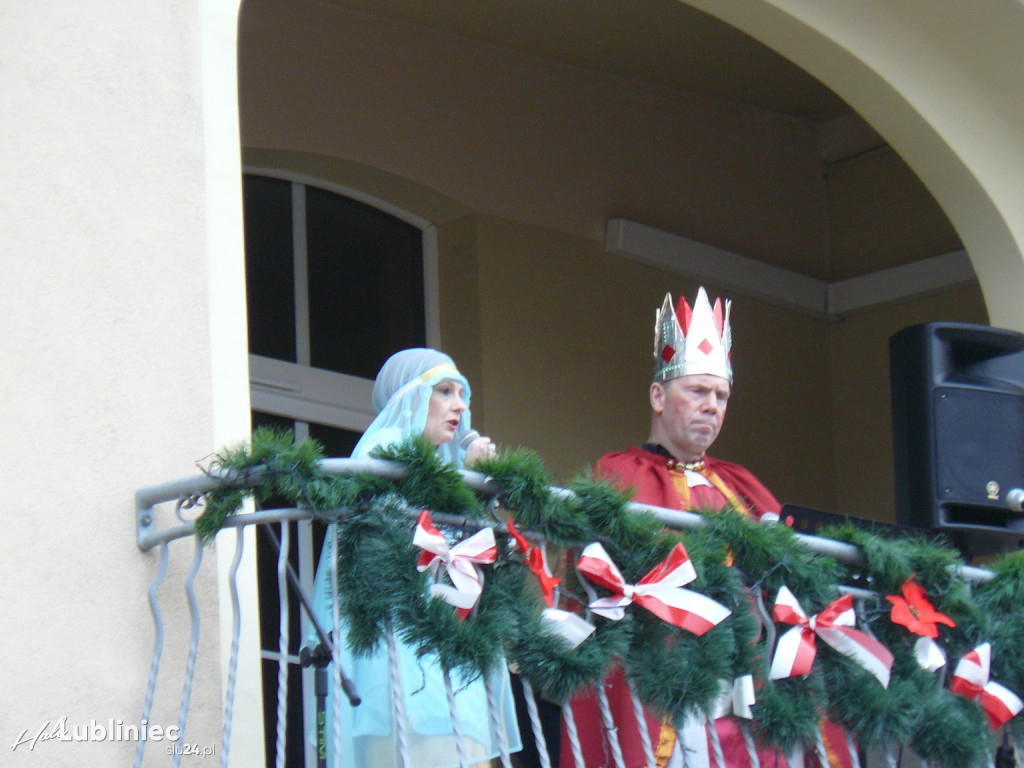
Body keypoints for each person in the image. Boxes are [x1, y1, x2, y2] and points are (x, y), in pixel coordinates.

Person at [561, 289, 850, 768]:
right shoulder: (617, 474)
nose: (711, 405)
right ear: (658, 395)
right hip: (665, 687)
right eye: (697, 391)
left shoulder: (741, 484)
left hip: (744, 686)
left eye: (721, 396)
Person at [307, 347, 522, 768]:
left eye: (462, 394)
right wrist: (475, 493)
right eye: (445, 391)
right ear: (410, 399)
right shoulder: (383, 455)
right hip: (404, 666)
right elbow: (403, 556)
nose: (460, 405)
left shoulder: (443, 470)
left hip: (445, 660)